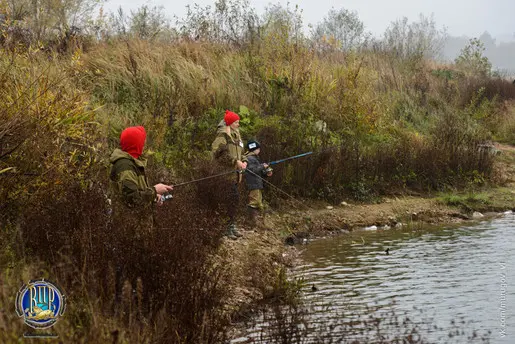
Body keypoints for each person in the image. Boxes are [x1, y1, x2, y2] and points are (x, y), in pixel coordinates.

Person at [109, 126, 173, 209]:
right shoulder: (125, 166)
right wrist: (154, 191)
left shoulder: (133, 162)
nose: (144, 145)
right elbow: (131, 199)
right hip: (130, 221)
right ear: (136, 144)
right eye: (142, 142)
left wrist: (153, 197)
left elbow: (137, 192)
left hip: (135, 220)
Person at [211, 110, 247, 239]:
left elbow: (242, 153)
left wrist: (244, 161)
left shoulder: (237, 135)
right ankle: (226, 227)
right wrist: (234, 161)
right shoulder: (222, 135)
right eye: (236, 122)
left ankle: (231, 226)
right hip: (225, 175)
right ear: (230, 123)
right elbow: (217, 154)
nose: (238, 124)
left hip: (236, 175)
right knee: (230, 200)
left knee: (234, 200)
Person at [243, 140, 273, 227]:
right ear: (254, 149)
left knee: (259, 203)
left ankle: (260, 223)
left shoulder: (254, 158)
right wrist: (262, 166)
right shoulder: (249, 158)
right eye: (258, 149)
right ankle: (251, 222)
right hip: (253, 184)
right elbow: (252, 170)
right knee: (254, 202)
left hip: (257, 183)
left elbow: (258, 171)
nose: (259, 150)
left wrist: (266, 172)